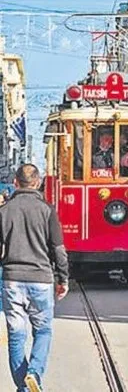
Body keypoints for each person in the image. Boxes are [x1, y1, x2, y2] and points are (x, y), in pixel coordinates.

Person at [0, 164, 69, 392]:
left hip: (12, 280)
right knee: (43, 331)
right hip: (41, 279)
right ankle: (34, 374)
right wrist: (63, 278)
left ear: (16, 183)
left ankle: (25, 387)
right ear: (38, 183)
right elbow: (58, 249)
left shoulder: (4, 211)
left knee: (16, 335)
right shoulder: (47, 210)